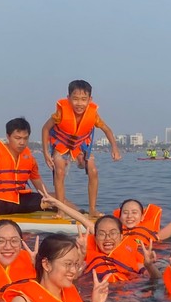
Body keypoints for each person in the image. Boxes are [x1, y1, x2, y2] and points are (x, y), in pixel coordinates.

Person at [41, 79, 122, 217]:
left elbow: (107, 130)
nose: (79, 103)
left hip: (80, 146)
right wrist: (45, 153)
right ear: (68, 98)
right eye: (75, 99)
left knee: (94, 171)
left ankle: (92, 209)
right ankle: (61, 209)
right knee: (59, 171)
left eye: (84, 99)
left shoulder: (93, 115)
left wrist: (114, 148)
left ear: (90, 99)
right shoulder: (60, 113)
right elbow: (45, 129)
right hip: (61, 146)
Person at [42, 194, 158, 284]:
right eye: (102, 234)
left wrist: (150, 266)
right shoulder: (84, 256)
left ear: (121, 236)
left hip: (128, 291)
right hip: (94, 288)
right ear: (96, 237)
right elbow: (81, 218)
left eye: (113, 233)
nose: (107, 238)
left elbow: (156, 279)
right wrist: (56, 203)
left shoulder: (132, 253)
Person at [3, 234, 108, 302]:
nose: (74, 270)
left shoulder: (70, 293)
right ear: (46, 265)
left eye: (76, 264)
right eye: (68, 264)